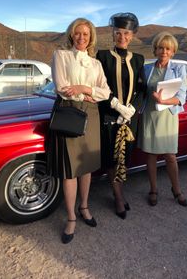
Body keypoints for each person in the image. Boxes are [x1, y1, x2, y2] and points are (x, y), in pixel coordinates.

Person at [50, 18, 110, 244]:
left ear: (91, 37)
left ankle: (84, 207)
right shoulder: (61, 55)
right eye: (77, 33)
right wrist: (81, 95)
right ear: (71, 35)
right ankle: (71, 217)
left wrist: (85, 89)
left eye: (86, 34)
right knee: (70, 169)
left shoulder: (95, 64)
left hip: (92, 115)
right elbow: (61, 87)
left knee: (86, 167)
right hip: (70, 113)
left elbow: (105, 92)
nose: (81, 37)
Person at [97, 12, 146, 219]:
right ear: (113, 33)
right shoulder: (102, 56)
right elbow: (98, 86)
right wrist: (116, 106)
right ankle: (118, 197)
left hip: (130, 119)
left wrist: (132, 109)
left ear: (132, 35)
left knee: (124, 158)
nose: (122, 37)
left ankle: (119, 192)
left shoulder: (139, 59)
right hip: (109, 116)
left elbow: (142, 89)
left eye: (126, 33)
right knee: (111, 158)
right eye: (118, 32)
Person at [138, 31, 187, 207]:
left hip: (167, 116)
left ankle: (177, 190)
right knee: (150, 155)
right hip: (149, 115)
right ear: (155, 49)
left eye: (168, 48)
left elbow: (182, 96)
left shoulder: (179, 69)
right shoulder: (146, 69)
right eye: (160, 48)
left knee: (170, 156)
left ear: (173, 51)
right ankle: (153, 189)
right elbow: (140, 91)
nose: (164, 51)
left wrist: (164, 100)